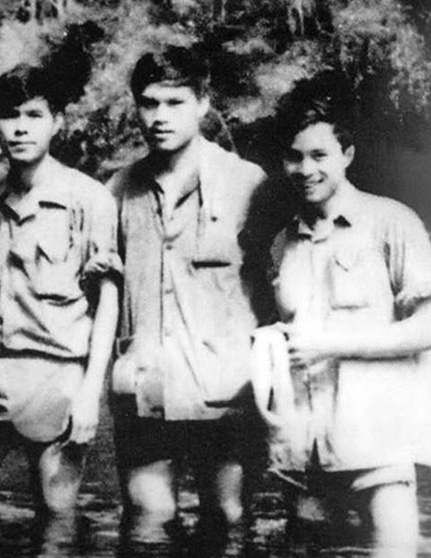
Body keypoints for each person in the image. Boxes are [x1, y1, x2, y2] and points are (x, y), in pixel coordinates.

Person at [0, 54, 121, 513]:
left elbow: (107, 299)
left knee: (55, 530)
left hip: (59, 384)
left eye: (33, 115)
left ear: (57, 122)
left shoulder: (89, 199)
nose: (20, 128)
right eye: (9, 116)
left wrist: (91, 392)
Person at [262, 72, 431, 545]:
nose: (306, 170)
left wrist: (333, 344)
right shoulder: (282, 244)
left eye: (320, 155)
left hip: (379, 451)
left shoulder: (393, 223)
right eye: (294, 157)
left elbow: (429, 330)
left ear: (347, 154)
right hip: (305, 459)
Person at [108, 47, 269, 529]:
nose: (159, 117)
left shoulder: (248, 184)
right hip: (142, 389)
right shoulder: (117, 190)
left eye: (174, 103)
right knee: (147, 528)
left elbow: (276, 291)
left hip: (225, 391)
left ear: (203, 102)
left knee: (229, 524)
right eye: (149, 103)